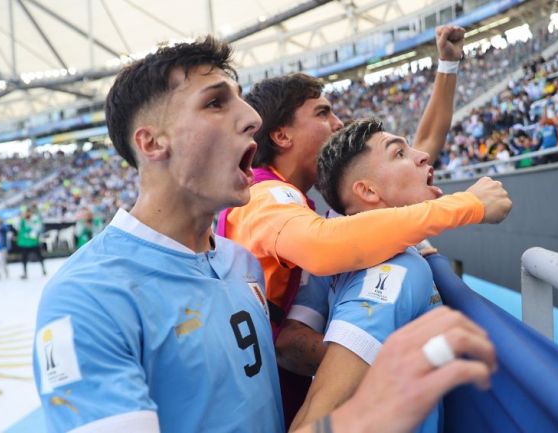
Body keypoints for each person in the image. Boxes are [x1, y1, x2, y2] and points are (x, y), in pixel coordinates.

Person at [33, 36, 496, 433]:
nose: (251, 117)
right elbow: (321, 252)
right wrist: (364, 409)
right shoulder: (84, 300)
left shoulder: (239, 263)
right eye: (215, 102)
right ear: (152, 143)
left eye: (240, 99)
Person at [219, 25, 511, 424]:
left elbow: (415, 157)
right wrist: (468, 206)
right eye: (323, 112)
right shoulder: (266, 195)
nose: (338, 123)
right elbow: (324, 248)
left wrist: (446, 66)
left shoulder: (310, 206)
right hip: (275, 403)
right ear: (281, 135)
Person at [290, 119, 495, 431]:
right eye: (399, 153)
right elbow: (313, 420)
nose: (422, 156)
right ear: (369, 191)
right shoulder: (393, 271)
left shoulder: (379, 255)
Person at [17, 207, 46, 279]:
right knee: (24, 259)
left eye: (28, 212)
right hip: (24, 243)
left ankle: (44, 270)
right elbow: (17, 227)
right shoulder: (22, 221)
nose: (27, 214)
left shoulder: (35, 220)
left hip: (33, 242)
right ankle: (25, 273)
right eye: (26, 213)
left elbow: (39, 228)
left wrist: (34, 232)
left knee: (40, 256)